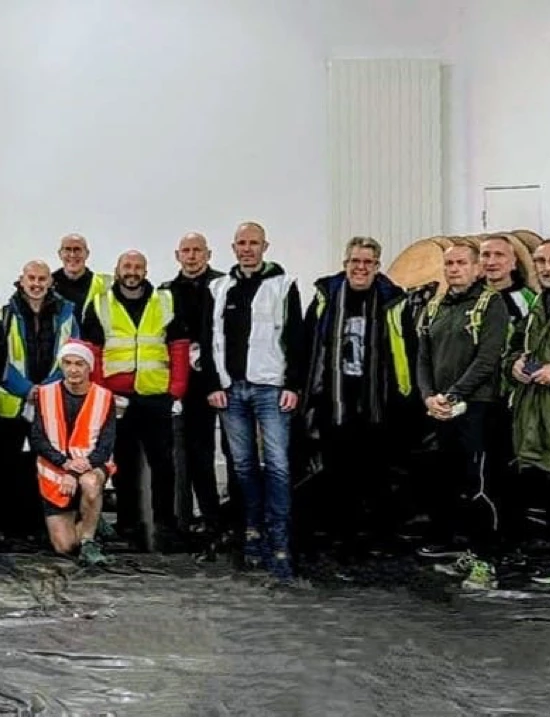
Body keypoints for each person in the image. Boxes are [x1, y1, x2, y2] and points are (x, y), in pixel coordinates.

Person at [298, 237, 412, 558]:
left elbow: (408, 348)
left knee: (376, 473)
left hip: (378, 401)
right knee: (336, 472)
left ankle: (376, 537)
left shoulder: (393, 300)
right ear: (345, 263)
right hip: (334, 400)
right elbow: (308, 345)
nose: (360, 268)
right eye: (355, 262)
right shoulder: (326, 297)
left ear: (377, 267)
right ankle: (340, 536)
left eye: (368, 263)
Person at [208, 222, 306, 583]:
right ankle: (252, 535)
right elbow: (210, 337)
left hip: (270, 390)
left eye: (254, 243)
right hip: (231, 391)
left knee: (278, 467)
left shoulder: (283, 285)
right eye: (241, 243)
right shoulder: (218, 288)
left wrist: (293, 384)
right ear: (233, 248)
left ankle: (280, 545)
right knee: (243, 467)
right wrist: (212, 384)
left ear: (265, 246)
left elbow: (296, 338)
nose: (247, 249)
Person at [79, 250, 190, 552]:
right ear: (118, 269)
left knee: (163, 465)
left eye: (138, 267)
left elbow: (179, 348)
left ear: (146, 270)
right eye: (127, 266)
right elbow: (94, 354)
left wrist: (176, 391)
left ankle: (165, 526)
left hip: (157, 397)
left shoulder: (165, 301)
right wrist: (104, 395)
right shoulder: (101, 304)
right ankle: (128, 526)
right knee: (124, 466)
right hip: (119, 400)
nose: (132, 271)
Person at [414, 239, 510, 588]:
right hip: (441, 410)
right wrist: (428, 397)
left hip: (477, 410)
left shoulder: (491, 304)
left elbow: (487, 359)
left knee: (479, 486)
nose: (453, 269)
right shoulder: (436, 306)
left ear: (476, 267)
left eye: (460, 263)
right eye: (449, 264)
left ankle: (487, 564)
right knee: (450, 482)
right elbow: (421, 356)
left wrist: (454, 394)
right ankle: (467, 553)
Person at [0, 260, 80, 542]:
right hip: (13, 404)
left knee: (47, 467)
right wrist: (26, 390)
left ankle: (39, 528)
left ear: (50, 282)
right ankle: (4, 527)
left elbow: (74, 356)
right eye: (31, 278)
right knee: (7, 467)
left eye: (42, 279)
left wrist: (46, 391)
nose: (36, 284)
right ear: (21, 280)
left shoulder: (67, 314)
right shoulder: (4, 315)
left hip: (53, 403)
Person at [163, 232, 230, 539]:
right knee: (186, 454)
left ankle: (218, 520)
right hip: (181, 384)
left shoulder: (224, 286)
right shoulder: (166, 292)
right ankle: (184, 520)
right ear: (177, 255)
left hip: (221, 381)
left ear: (209, 253)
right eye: (186, 251)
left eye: (197, 250)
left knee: (226, 452)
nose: (191, 256)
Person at [511, 238, 550, 588]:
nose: (549, 267)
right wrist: (513, 364)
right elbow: (517, 346)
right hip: (539, 414)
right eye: (541, 261)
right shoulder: (538, 306)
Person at [31, 341, 117, 567]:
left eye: (79, 364)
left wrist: (80, 469)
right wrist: (65, 465)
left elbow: (105, 445)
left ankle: (89, 540)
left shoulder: (104, 397)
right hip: (56, 470)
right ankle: (92, 518)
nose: (73, 369)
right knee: (65, 546)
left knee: (90, 484)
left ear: (89, 367)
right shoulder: (45, 394)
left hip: (90, 466)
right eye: (67, 363)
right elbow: (38, 439)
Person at [51, 234, 109, 310]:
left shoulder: (102, 285)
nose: (72, 255)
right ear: (60, 254)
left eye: (77, 249)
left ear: (87, 254)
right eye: (67, 249)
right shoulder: (48, 284)